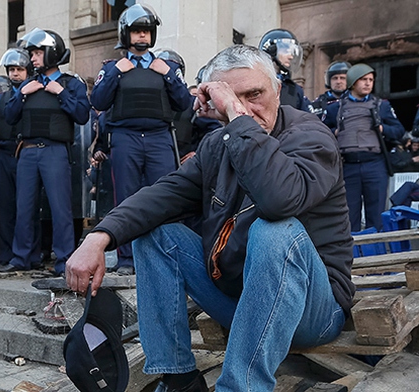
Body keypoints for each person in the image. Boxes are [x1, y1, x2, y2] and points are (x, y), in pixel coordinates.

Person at [66, 45, 354, 392]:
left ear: (277, 89)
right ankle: (179, 379)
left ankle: (240, 387)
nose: (246, 107)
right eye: (233, 98)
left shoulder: (309, 136)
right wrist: (98, 237)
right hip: (243, 301)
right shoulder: (218, 145)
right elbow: (163, 195)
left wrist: (235, 114)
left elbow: (279, 201)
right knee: (156, 234)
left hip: (313, 312)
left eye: (255, 94)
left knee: (274, 230)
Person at [90, 4, 191, 275]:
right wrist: (115, 73)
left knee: (168, 198)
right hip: (125, 138)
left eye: (146, 31)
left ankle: (170, 256)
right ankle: (127, 260)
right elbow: (98, 101)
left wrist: (168, 74)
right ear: (126, 34)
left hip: (159, 138)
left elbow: (184, 103)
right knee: (125, 199)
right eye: (136, 32)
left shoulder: (167, 67)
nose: (142, 37)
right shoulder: (112, 67)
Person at [0, 28, 90, 276]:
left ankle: (64, 260)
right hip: (27, 152)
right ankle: (22, 257)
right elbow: (9, 116)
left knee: (61, 208)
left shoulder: (71, 84)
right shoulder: (28, 85)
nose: (33, 58)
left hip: (55, 151)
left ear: (51, 53)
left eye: (38, 53)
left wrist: (60, 93)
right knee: (24, 207)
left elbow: (82, 115)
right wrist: (21, 95)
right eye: (32, 54)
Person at [324, 63, 405, 232]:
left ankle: (376, 254)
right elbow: (319, 133)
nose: (368, 83)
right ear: (353, 82)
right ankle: (353, 256)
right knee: (348, 216)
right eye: (363, 80)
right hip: (348, 166)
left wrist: (383, 129)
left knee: (376, 216)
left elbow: (399, 131)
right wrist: (335, 132)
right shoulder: (335, 109)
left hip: (374, 165)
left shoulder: (381, 106)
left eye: (371, 80)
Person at [0, 48, 37, 268]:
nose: (15, 74)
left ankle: (32, 254)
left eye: (19, 69)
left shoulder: (35, 95)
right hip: (3, 157)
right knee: (5, 206)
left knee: (28, 207)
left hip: (28, 155)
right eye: (12, 70)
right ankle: (6, 254)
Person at [259, 28, 312, 111]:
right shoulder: (255, 82)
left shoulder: (294, 90)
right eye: (285, 50)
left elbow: (306, 120)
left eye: (291, 52)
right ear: (271, 50)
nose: (291, 56)